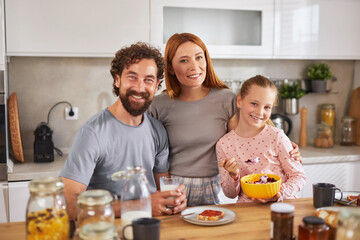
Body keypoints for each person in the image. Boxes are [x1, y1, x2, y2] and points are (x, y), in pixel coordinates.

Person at [147, 33, 302, 206]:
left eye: (199, 57)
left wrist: (286, 145)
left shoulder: (225, 99)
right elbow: (149, 154)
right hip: (174, 188)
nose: (195, 66)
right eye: (184, 60)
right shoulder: (158, 105)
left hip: (212, 187)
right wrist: (163, 191)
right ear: (170, 68)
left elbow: (250, 135)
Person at [59, 42, 186, 219]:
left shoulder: (158, 131)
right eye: (132, 77)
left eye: (148, 80)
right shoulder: (92, 133)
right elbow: (70, 206)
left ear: (156, 85)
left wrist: (174, 200)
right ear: (117, 79)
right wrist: (140, 206)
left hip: (149, 228)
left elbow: (161, 191)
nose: (140, 87)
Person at [217, 75, 306, 203]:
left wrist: (279, 193)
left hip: (280, 209)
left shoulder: (277, 137)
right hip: (247, 213)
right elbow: (230, 194)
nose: (260, 112)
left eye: (267, 107)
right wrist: (233, 175)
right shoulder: (224, 144)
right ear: (239, 101)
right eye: (254, 104)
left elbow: (299, 176)